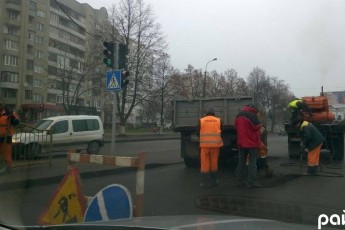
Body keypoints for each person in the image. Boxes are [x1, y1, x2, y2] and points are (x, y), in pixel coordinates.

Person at [234, 104, 262, 188]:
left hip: (241, 143)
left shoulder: (239, 115)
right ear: (253, 109)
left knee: (241, 162)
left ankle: (240, 180)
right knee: (252, 163)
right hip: (252, 143)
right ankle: (251, 182)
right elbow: (257, 126)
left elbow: (235, 126)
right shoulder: (252, 116)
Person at [198, 107, 223, 188]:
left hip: (204, 147)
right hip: (215, 146)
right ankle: (214, 182)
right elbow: (221, 131)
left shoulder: (201, 120)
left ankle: (206, 183)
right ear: (214, 113)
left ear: (206, 113)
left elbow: (198, 132)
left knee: (205, 164)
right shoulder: (218, 120)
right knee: (214, 163)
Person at [0, 100, 20, 174]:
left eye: (0, 104)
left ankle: (8, 168)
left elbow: (17, 122)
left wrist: (12, 118)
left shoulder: (9, 113)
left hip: (6, 136)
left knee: (6, 153)